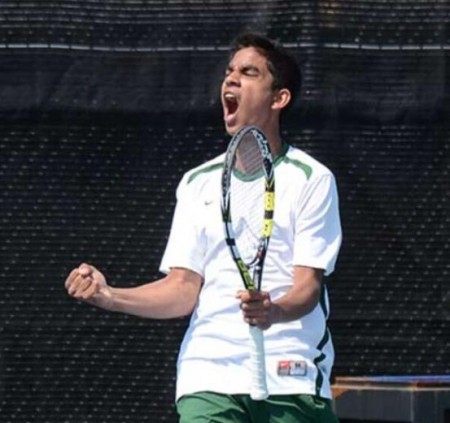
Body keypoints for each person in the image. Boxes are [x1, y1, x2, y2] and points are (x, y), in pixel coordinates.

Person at [65, 32, 342, 423]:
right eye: (229, 72)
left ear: (279, 98)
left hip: (290, 376)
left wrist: (273, 311)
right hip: (207, 375)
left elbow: (308, 287)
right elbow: (182, 289)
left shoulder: (313, 179)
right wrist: (109, 295)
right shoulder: (197, 183)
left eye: (248, 73)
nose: (231, 80)